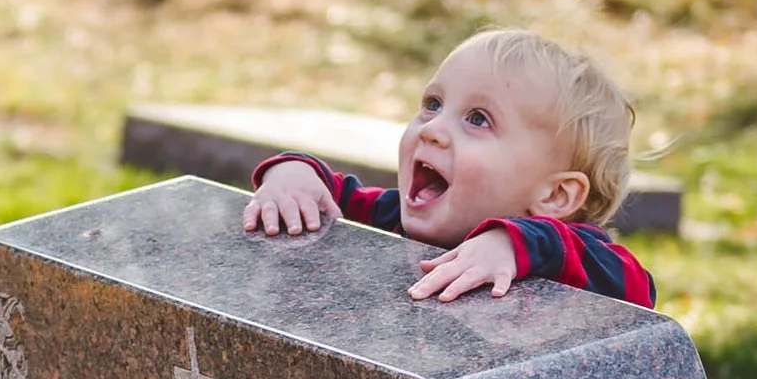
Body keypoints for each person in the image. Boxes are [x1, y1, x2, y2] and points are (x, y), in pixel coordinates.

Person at [241, 29, 655, 304]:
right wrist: (294, 174)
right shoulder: (393, 217)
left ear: (554, 195)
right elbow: (335, 197)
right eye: (433, 105)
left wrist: (516, 244)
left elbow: (638, 289)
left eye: (478, 119)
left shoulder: (577, 257)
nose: (434, 129)